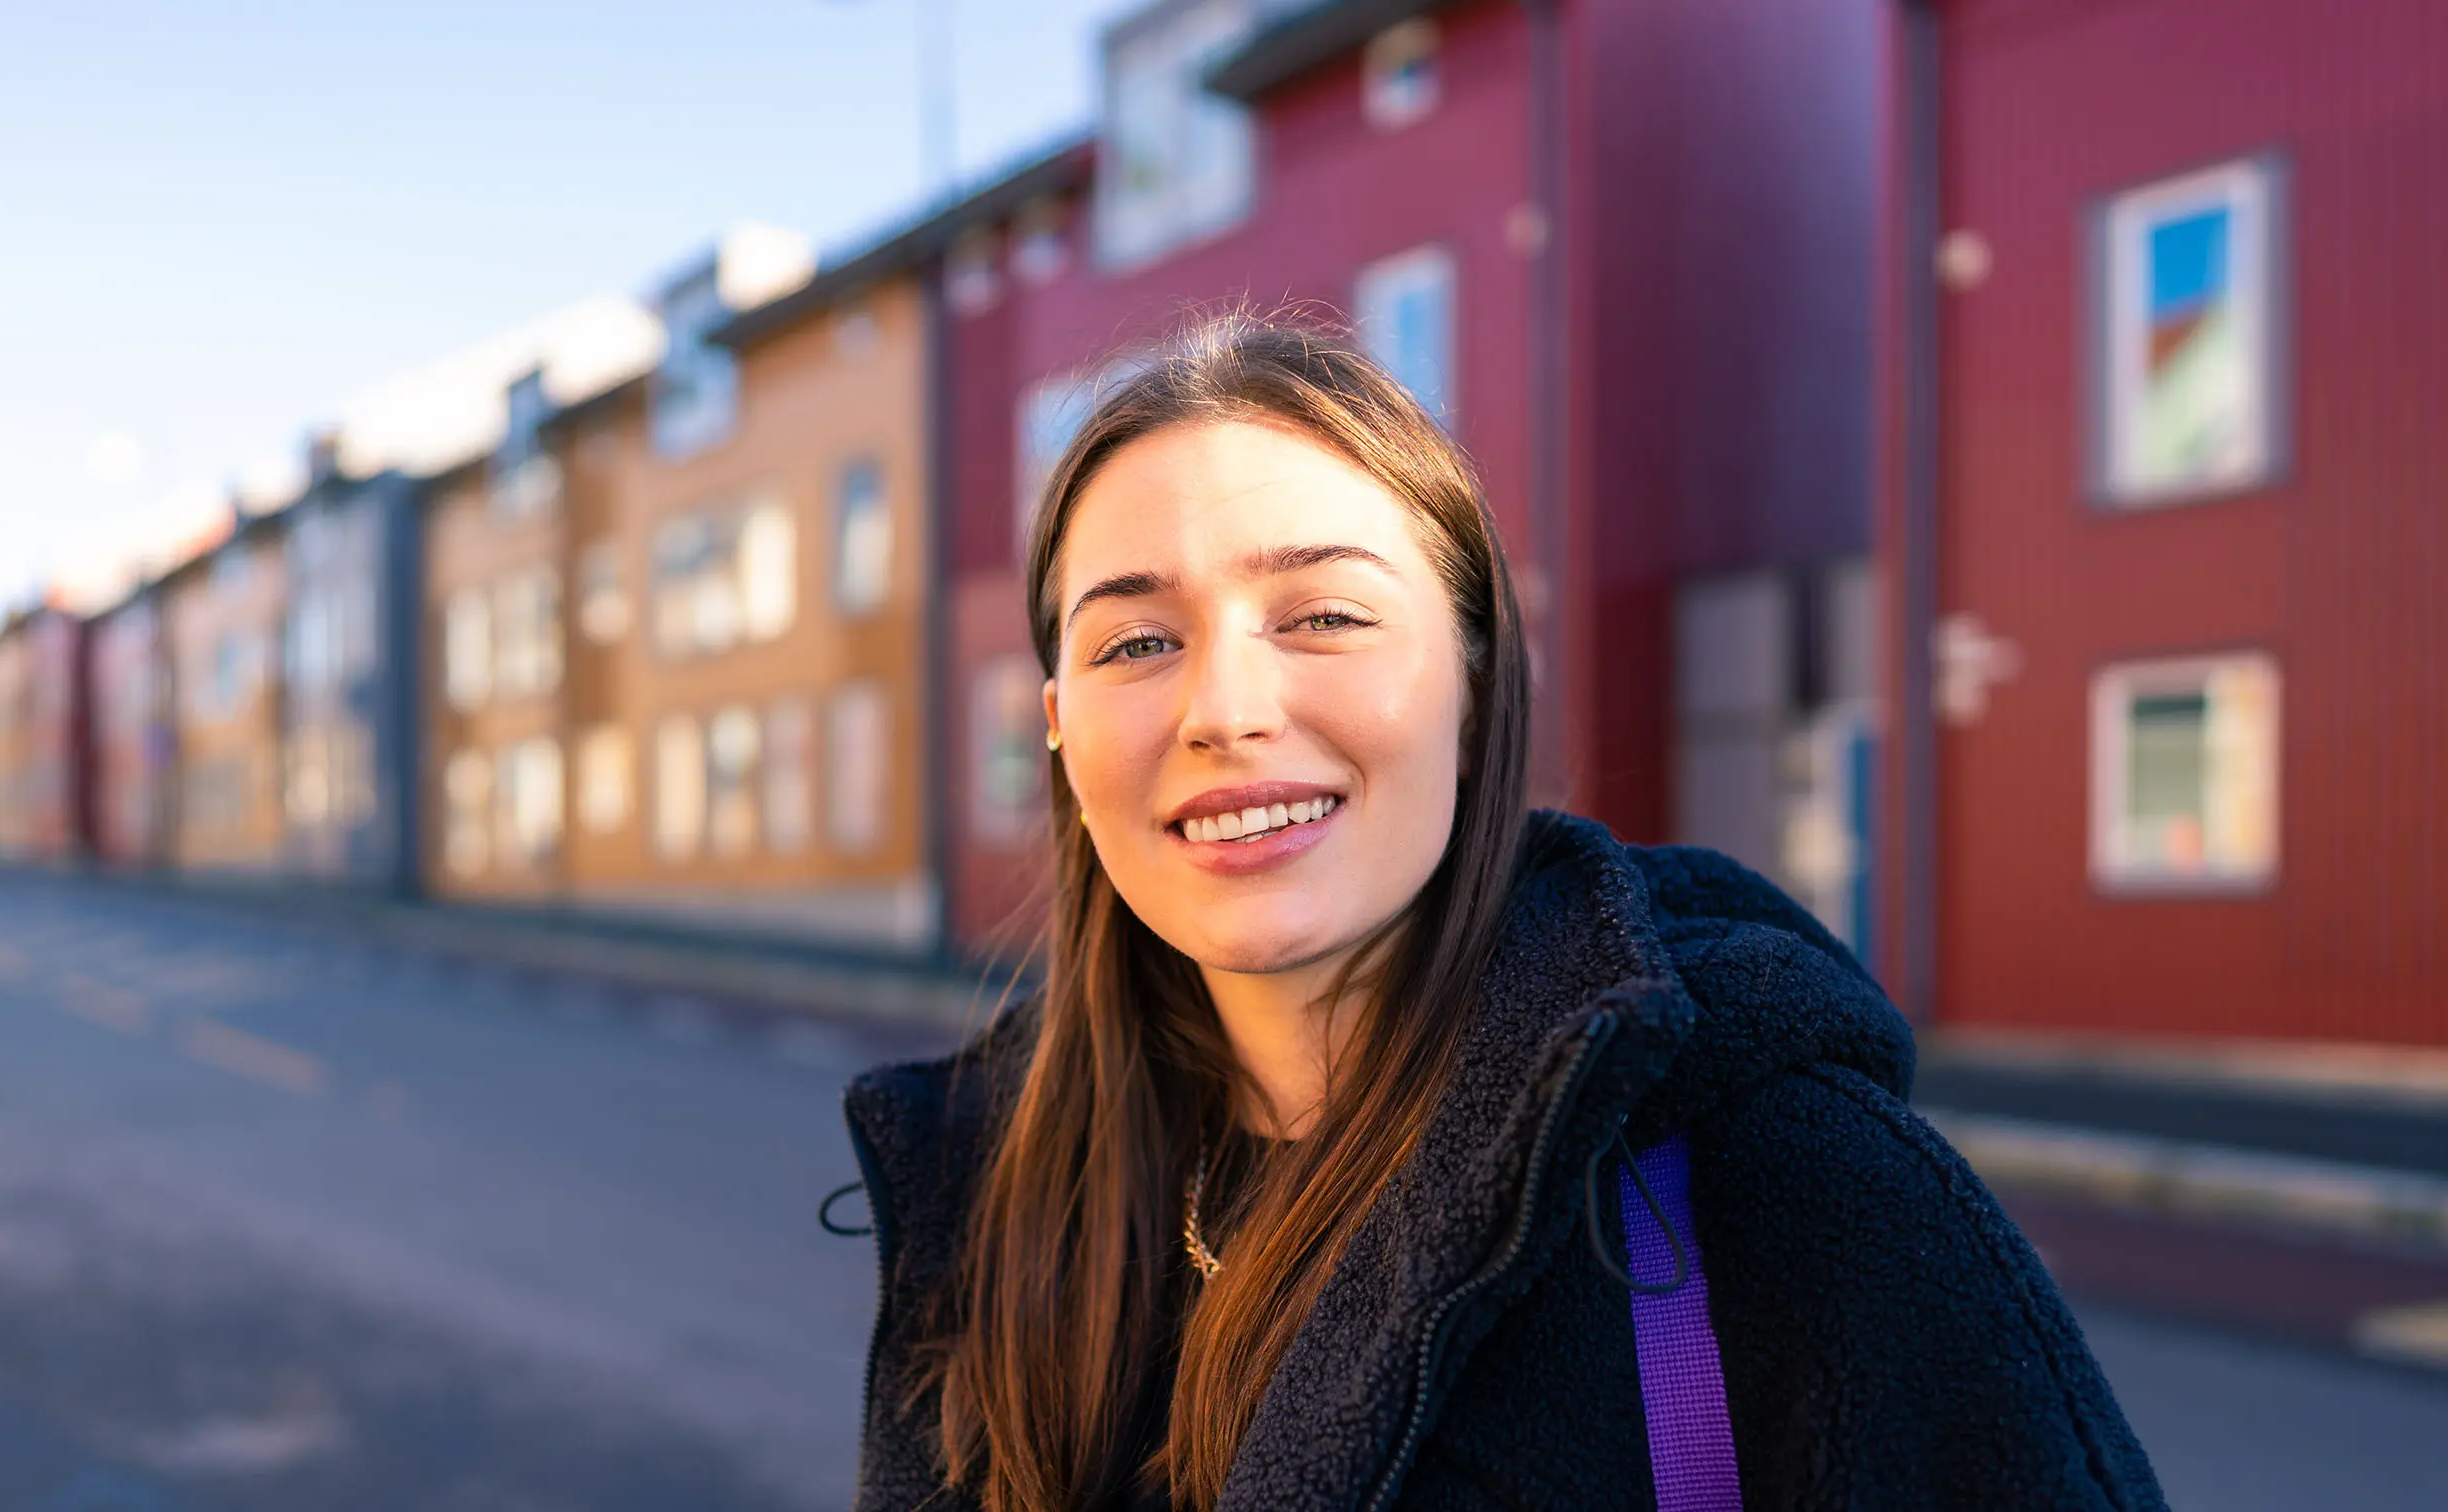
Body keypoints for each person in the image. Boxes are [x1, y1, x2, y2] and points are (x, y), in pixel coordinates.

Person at [842, 313, 2164, 1512]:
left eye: (1324, 615)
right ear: (1059, 725)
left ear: (1475, 683)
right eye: (1136, 641)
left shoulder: (1782, 1175)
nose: (1225, 709)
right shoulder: (995, 1204)